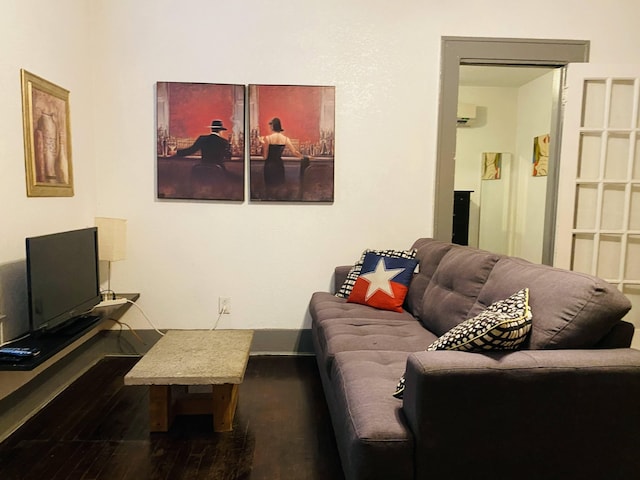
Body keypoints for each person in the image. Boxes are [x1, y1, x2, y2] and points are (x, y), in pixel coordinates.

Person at [258, 117, 308, 189]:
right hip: (279, 165)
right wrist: (305, 157)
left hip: (269, 166)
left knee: (269, 189)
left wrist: (262, 144)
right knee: (279, 188)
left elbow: (265, 156)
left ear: (272, 127)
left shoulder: (267, 139)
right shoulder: (285, 139)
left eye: (271, 125)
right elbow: (294, 152)